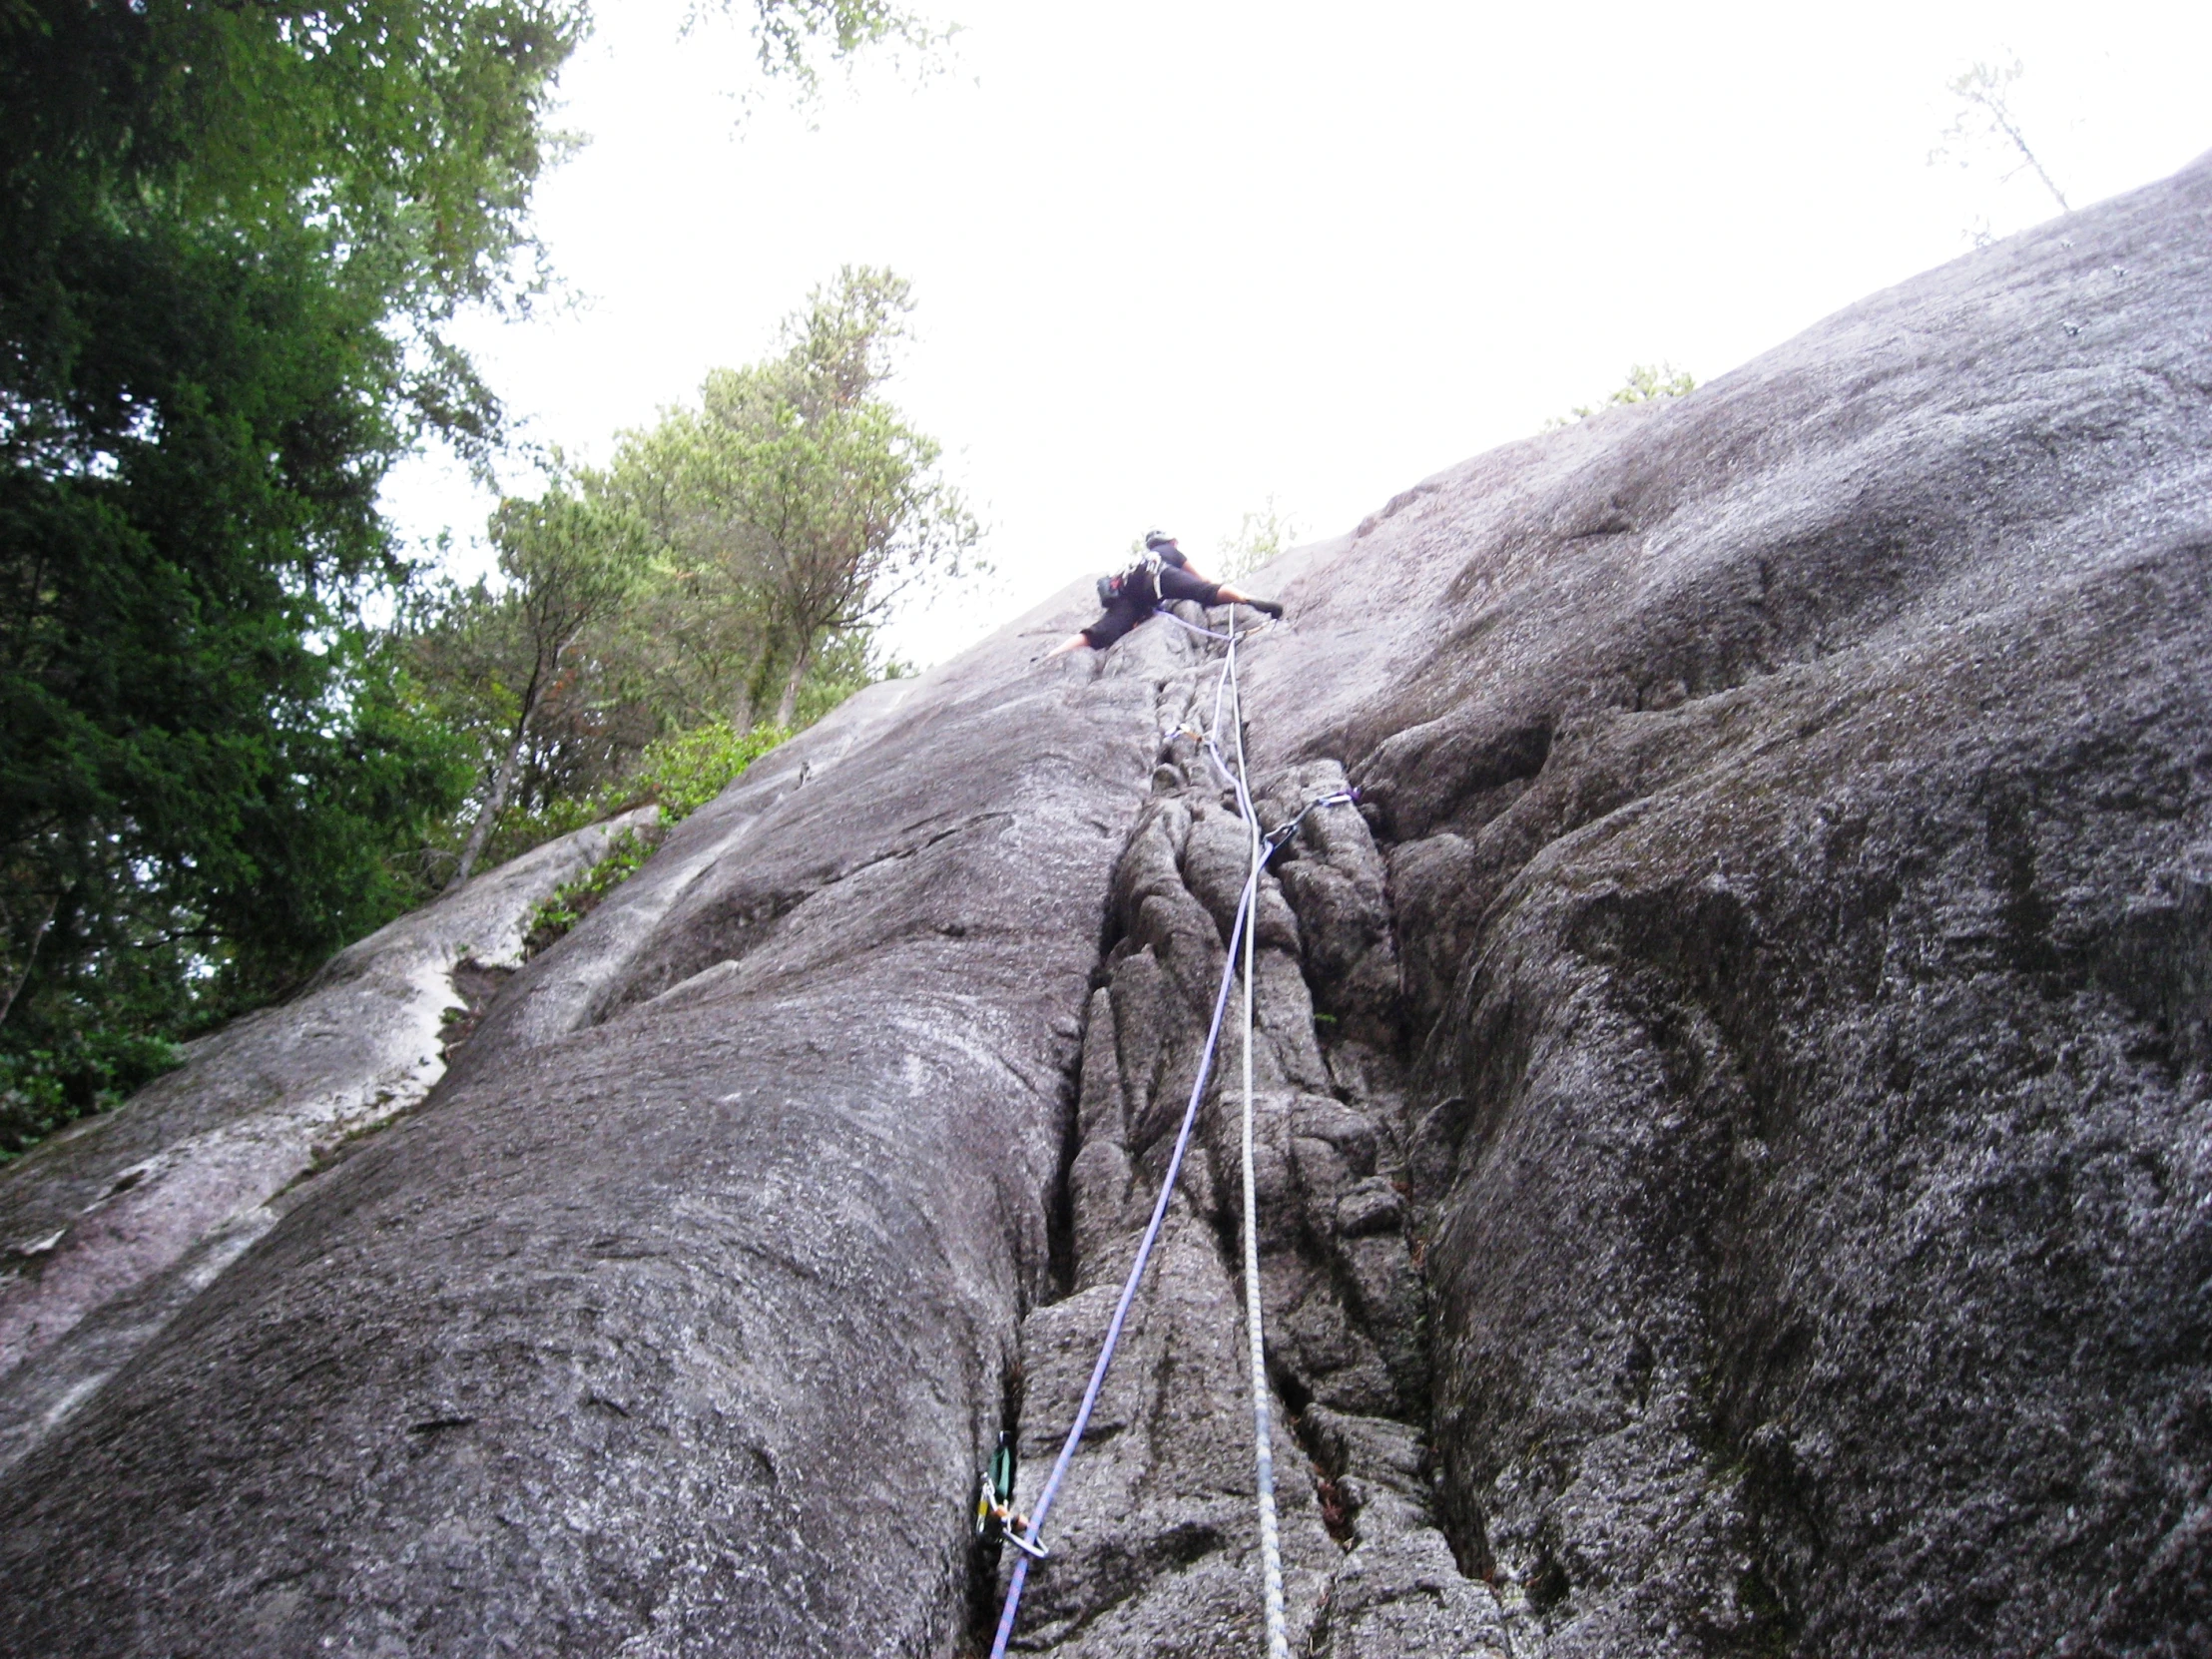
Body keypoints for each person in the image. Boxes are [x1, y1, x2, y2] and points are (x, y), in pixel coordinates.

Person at [1043, 531, 1285, 661]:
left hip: (1129, 592)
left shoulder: (1133, 560)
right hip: (1156, 577)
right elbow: (1203, 580)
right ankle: (1250, 600)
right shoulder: (1169, 551)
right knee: (1207, 592)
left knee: (1102, 631)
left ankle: (1051, 655)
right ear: (1170, 541)